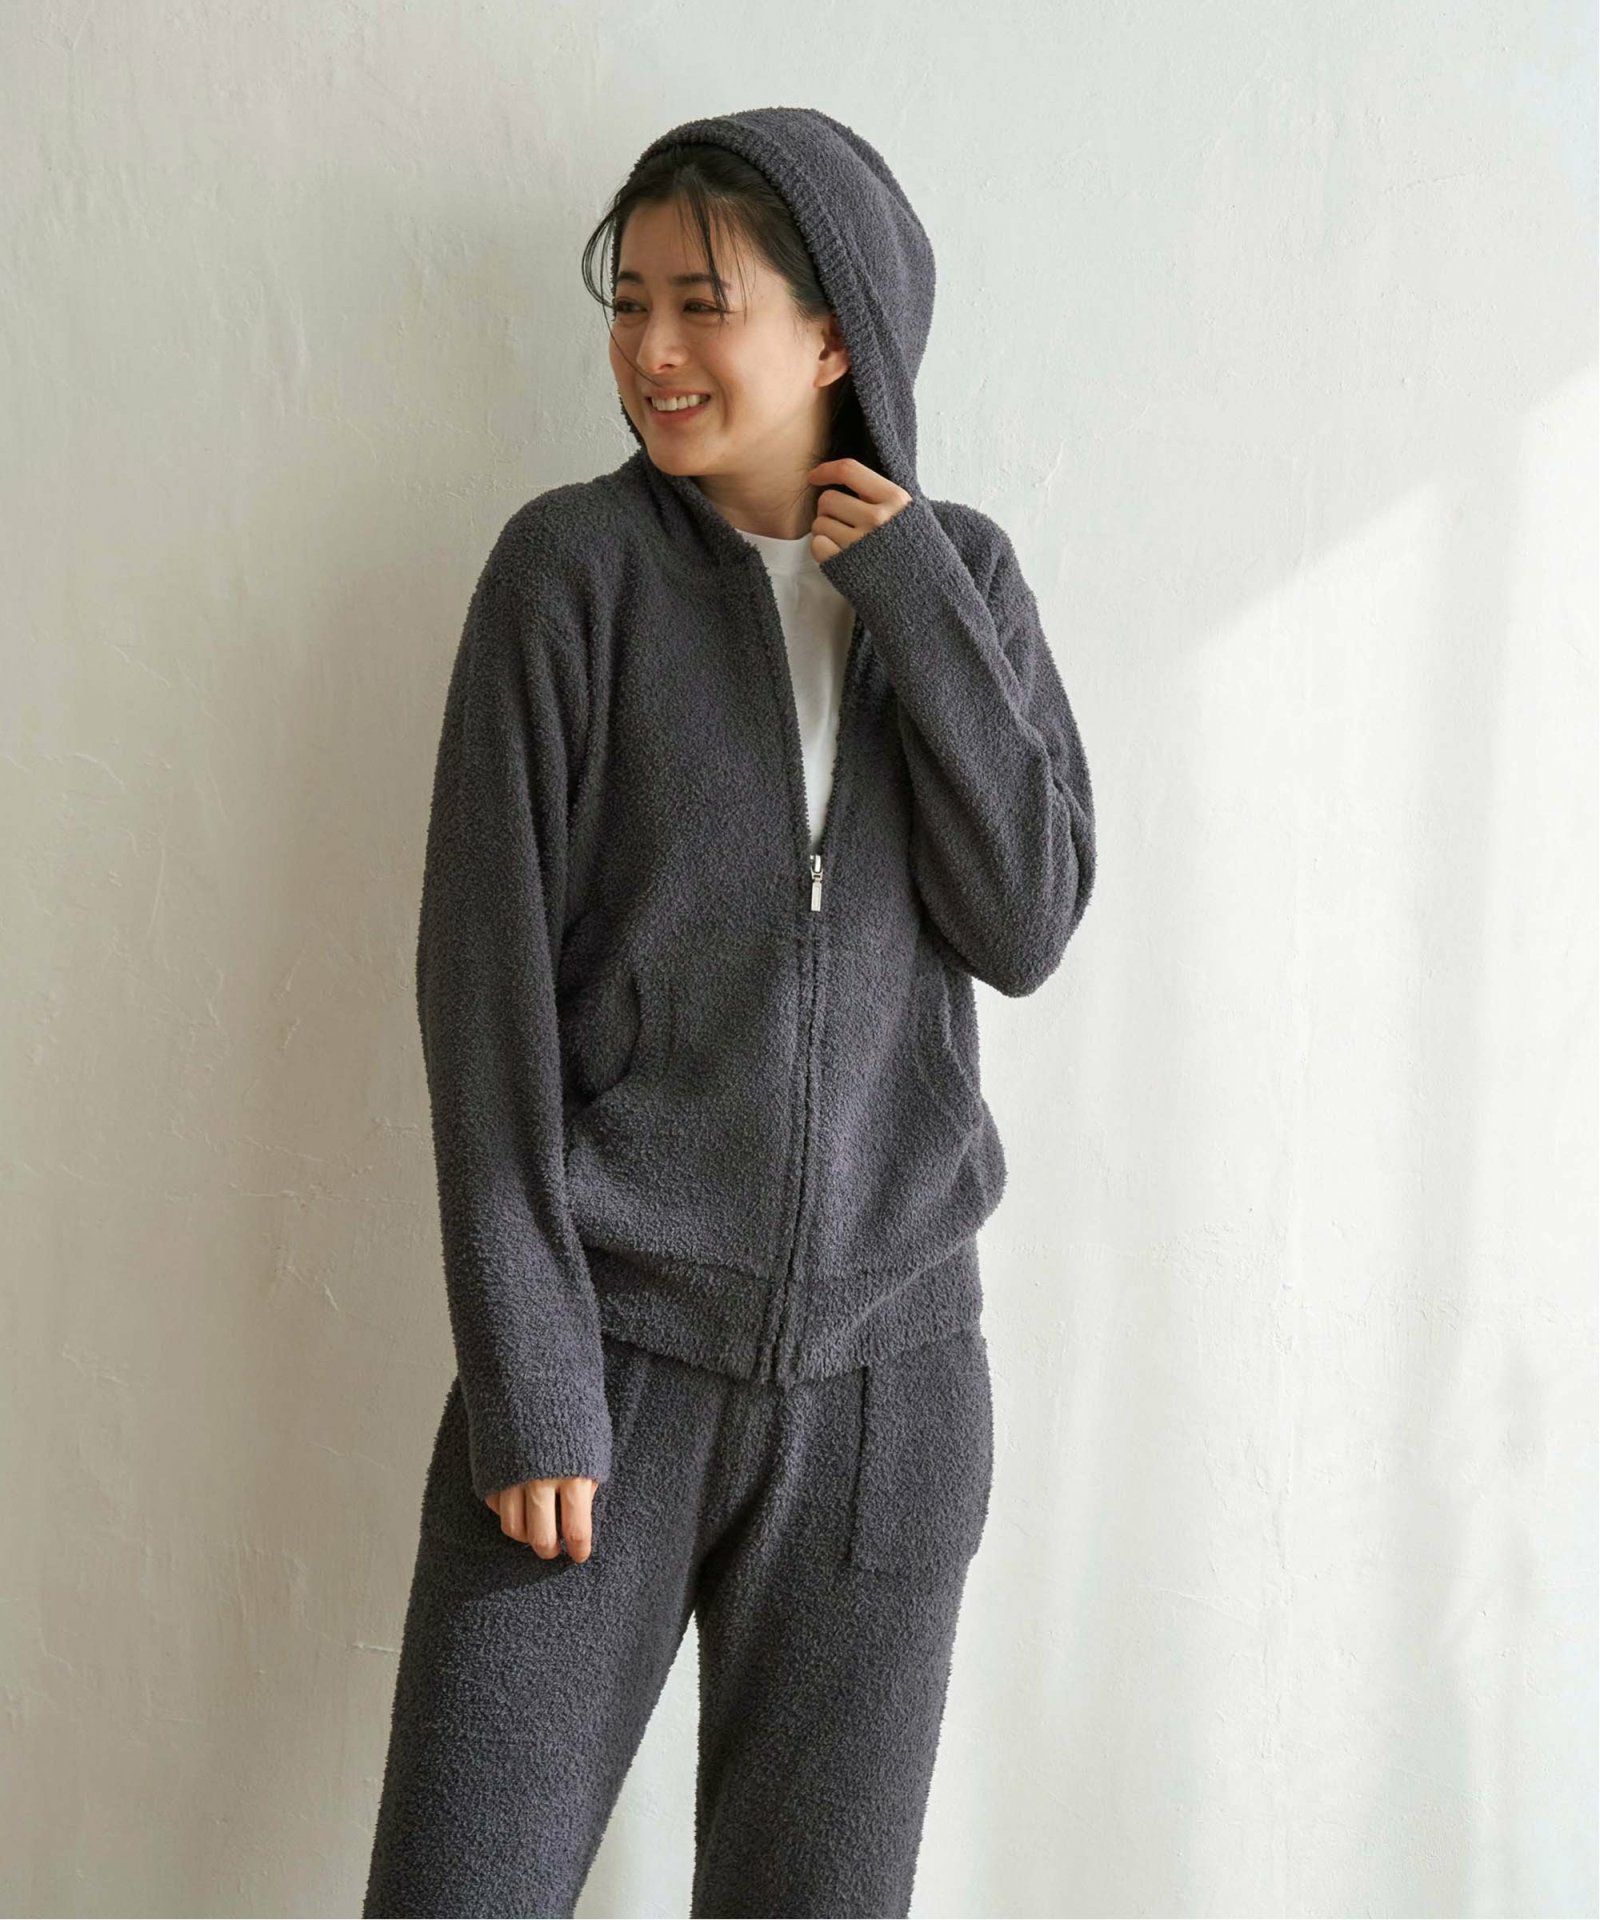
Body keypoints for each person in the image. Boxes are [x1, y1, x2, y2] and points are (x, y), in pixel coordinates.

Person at [362, 105, 1096, 1918]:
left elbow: (1027, 921)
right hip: (603, 1373)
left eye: (707, 302)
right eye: (632, 301)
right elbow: (482, 996)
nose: (653, 349)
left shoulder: (964, 581)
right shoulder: (569, 578)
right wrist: (531, 1375)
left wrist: (913, 600)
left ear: (835, 333)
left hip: (888, 1398)